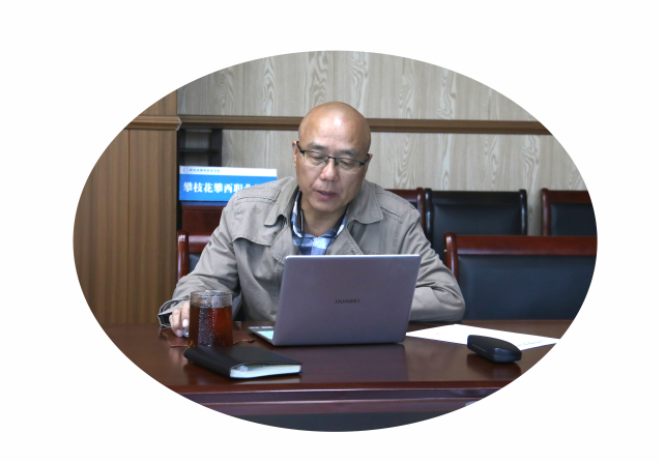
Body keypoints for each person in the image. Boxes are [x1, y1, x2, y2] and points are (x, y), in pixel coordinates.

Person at [159, 102, 465, 336]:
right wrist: (188, 306)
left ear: (365, 165)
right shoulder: (245, 209)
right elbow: (206, 281)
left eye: (347, 161)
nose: (329, 174)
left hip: (357, 360)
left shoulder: (397, 220)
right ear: (296, 154)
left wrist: (357, 303)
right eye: (316, 157)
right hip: (265, 359)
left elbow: (448, 298)